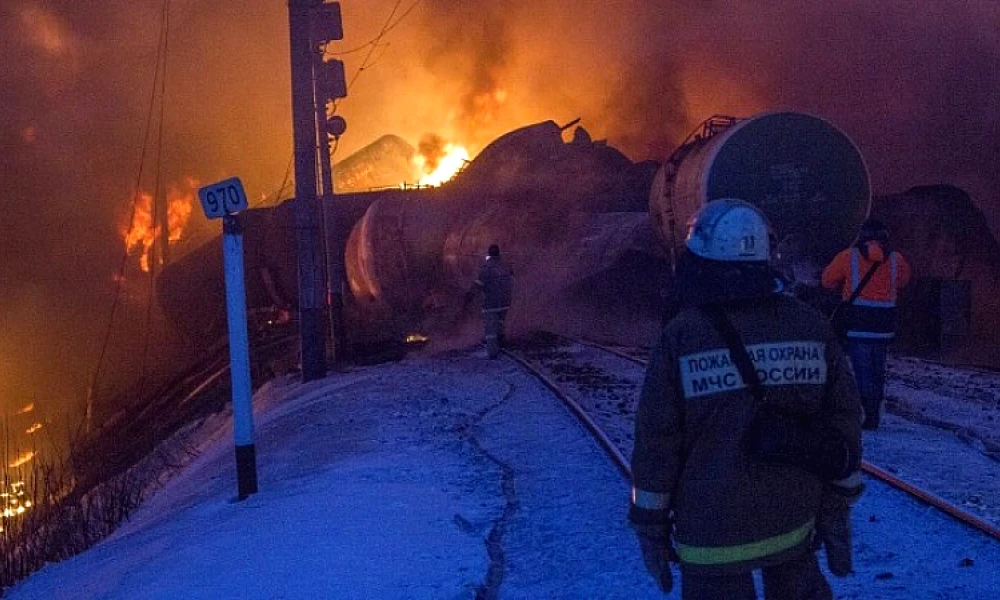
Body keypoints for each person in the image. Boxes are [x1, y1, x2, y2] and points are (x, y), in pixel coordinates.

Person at [629, 199, 864, 599]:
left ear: (699, 263)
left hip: (710, 535)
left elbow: (657, 442)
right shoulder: (809, 325)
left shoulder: (681, 336)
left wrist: (650, 527)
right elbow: (843, 420)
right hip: (793, 523)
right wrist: (837, 508)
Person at [821, 217, 912, 430]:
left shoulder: (848, 257)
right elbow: (904, 281)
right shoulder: (897, 260)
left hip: (857, 325)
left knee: (862, 372)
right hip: (883, 328)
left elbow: (827, 281)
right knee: (877, 370)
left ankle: (869, 414)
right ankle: (875, 410)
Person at [468, 244, 513, 359]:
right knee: (500, 323)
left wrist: (470, 295)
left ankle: (493, 353)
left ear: (489, 254)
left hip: (491, 304)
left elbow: (479, 285)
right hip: (505, 302)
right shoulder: (505, 265)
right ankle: (502, 343)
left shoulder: (486, 268)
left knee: (490, 331)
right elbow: (511, 279)